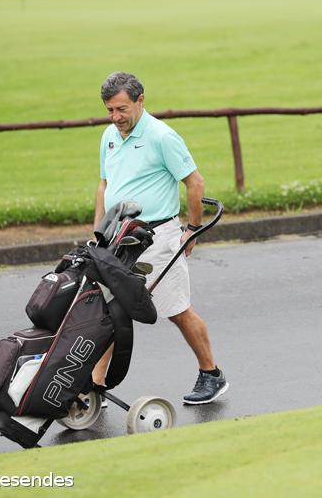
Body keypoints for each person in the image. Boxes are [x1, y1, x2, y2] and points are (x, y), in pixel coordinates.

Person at [90, 71, 228, 405]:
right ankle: (93, 385)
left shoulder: (162, 136)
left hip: (158, 237)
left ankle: (211, 374)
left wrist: (191, 230)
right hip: (117, 236)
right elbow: (104, 186)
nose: (116, 117)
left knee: (176, 309)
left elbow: (195, 182)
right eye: (110, 110)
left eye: (122, 109)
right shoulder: (109, 136)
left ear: (140, 100)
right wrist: (96, 235)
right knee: (109, 308)